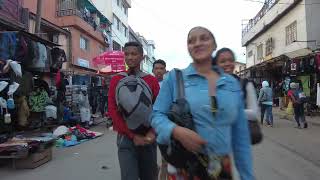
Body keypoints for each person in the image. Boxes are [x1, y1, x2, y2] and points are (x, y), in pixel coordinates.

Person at [151, 26, 254, 180]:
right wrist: (176, 131)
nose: (197, 43)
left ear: (214, 45)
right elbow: (155, 116)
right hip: (185, 169)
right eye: (191, 41)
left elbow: (241, 138)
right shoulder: (175, 78)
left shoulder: (231, 84)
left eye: (204, 38)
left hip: (221, 169)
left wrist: (247, 176)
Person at [108, 42, 160, 180]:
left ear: (142, 57)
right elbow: (112, 110)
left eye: (134, 54)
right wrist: (132, 136)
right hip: (126, 139)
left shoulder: (151, 80)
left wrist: (152, 132)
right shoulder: (116, 80)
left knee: (149, 176)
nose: (130, 57)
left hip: (148, 138)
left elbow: (159, 110)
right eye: (127, 54)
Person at [213, 48, 258, 124]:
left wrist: (229, 112)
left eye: (231, 60)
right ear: (216, 65)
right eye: (222, 61)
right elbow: (212, 111)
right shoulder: (211, 85)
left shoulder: (245, 84)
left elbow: (254, 113)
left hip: (241, 131)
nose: (227, 64)